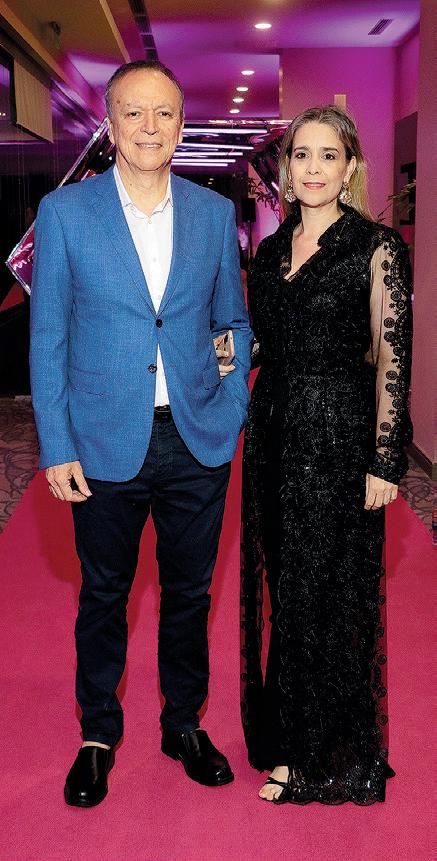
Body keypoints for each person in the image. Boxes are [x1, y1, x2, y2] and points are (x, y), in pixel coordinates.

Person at [30, 60, 252, 808]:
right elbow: (48, 336)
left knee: (190, 593)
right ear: (111, 124)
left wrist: (229, 399)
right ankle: (97, 733)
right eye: (133, 112)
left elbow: (231, 320)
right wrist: (57, 443)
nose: (149, 127)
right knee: (104, 593)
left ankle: (182, 723)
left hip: (196, 437)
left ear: (181, 126)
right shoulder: (65, 213)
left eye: (163, 114)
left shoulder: (213, 213)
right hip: (101, 439)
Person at [240, 106, 413, 805]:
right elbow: (265, 340)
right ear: (285, 169)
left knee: (328, 595)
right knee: (288, 590)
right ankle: (291, 734)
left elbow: (392, 358)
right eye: (300, 155)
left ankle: (319, 757)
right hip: (274, 439)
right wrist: (224, 353)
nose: (312, 168)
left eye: (327, 155)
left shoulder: (375, 247)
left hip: (339, 440)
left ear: (350, 168)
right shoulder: (270, 250)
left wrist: (385, 459)